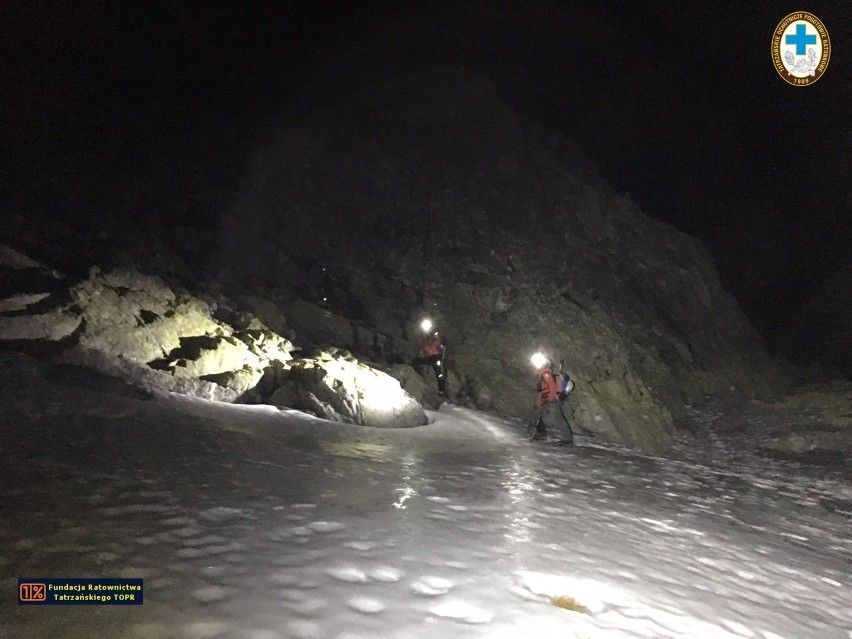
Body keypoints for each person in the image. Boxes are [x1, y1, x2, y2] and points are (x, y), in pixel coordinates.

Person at [528, 358, 574, 445]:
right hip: (547, 400)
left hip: (551, 400)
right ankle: (541, 434)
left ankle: (568, 438)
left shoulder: (546, 374)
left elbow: (552, 389)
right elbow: (543, 392)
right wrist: (538, 403)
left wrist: (550, 399)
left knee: (557, 418)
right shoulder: (543, 375)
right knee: (538, 415)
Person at [413, 326, 447, 395]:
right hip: (430, 358)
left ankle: (442, 390)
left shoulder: (438, 340)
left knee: (439, 374)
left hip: (436, 358)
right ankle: (419, 374)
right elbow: (424, 348)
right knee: (415, 360)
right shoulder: (429, 341)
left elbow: (441, 345)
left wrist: (440, 358)